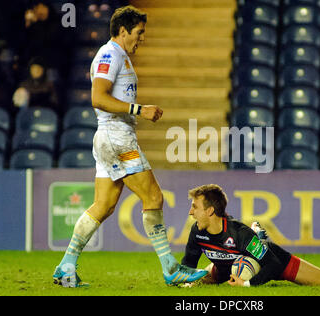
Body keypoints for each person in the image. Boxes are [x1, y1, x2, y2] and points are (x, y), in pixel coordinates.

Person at [52, 5, 207, 287]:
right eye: (139, 32)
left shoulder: (118, 56)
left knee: (104, 205)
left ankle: (66, 266)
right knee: (154, 198)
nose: (143, 38)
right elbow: (97, 98)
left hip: (109, 137)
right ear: (123, 31)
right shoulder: (110, 55)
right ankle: (171, 268)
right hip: (116, 137)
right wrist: (139, 109)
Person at [181, 184, 320, 287]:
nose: (190, 212)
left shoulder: (239, 233)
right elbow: (188, 264)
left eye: (194, 207)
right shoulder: (197, 232)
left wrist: (247, 284)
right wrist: (185, 279)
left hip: (274, 260)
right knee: (198, 280)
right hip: (228, 266)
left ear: (210, 211)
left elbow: (273, 264)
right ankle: (259, 236)